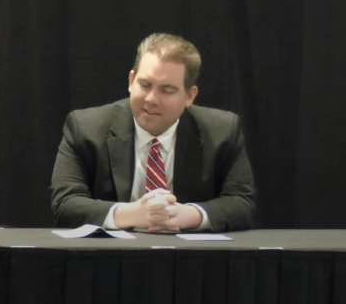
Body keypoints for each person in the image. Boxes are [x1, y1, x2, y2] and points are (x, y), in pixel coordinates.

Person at [49, 33, 255, 232]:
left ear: (190, 96)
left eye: (167, 90)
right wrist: (134, 214)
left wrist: (188, 215)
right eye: (145, 85)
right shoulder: (86, 127)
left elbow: (241, 202)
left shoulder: (222, 131)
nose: (151, 99)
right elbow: (66, 204)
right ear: (131, 81)